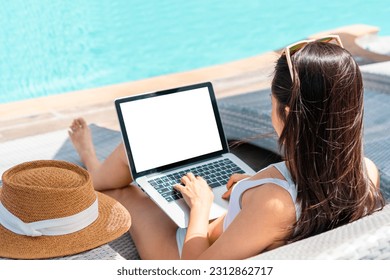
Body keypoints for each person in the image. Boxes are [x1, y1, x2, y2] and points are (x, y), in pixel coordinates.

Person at [68, 35, 384, 260]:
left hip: (185, 252)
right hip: (240, 227)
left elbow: (197, 269)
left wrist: (201, 206)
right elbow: (291, 200)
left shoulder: (273, 204)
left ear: (286, 114)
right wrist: (249, 186)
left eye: (272, 103)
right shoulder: (364, 171)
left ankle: (91, 165)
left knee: (127, 181)